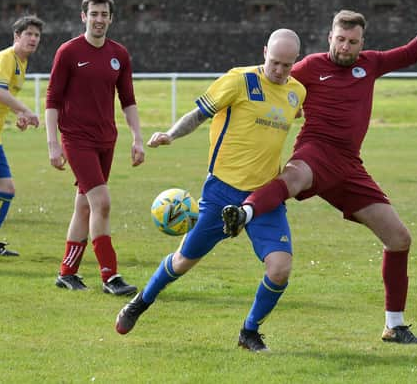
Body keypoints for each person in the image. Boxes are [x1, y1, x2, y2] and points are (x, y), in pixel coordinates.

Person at [221, 0, 417, 345]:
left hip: (349, 166)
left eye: (353, 41)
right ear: (329, 37)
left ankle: (394, 326)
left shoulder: (371, 64)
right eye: (340, 39)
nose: (346, 46)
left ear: (362, 43)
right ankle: (245, 212)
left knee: (399, 239)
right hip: (316, 151)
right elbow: (269, 79)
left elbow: (413, 51)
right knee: (294, 177)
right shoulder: (307, 67)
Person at [115, 29, 305, 352]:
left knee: (280, 267)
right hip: (222, 192)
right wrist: (171, 135)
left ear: (295, 63)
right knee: (182, 262)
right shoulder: (238, 81)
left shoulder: (296, 92)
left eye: (287, 65)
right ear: (264, 53)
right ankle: (141, 302)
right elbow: (199, 114)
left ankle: (249, 331)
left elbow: (299, 117)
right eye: (275, 63)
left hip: (264, 197)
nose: (280, 71)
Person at [45, 0, 145, 295]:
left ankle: (67, 272)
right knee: (101, 203)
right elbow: (52, 100)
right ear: (83, 17)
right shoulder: (69, 52)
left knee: (85, 207)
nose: (99, 19)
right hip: (76, 139)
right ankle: (110, 276)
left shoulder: (119, 55)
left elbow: (128, 100)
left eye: (104, 15)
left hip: (107, 139)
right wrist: (53, 143)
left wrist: (137, 138)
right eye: (94, 14)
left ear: (111, 19)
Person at [0, 15, 43, 256]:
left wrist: (18, 115)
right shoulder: (6, 58)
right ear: (16, 36)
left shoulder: (22, 63)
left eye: (37, 35)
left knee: (6, 189)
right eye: (28, 34)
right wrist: (25, 110)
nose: (33, 39)